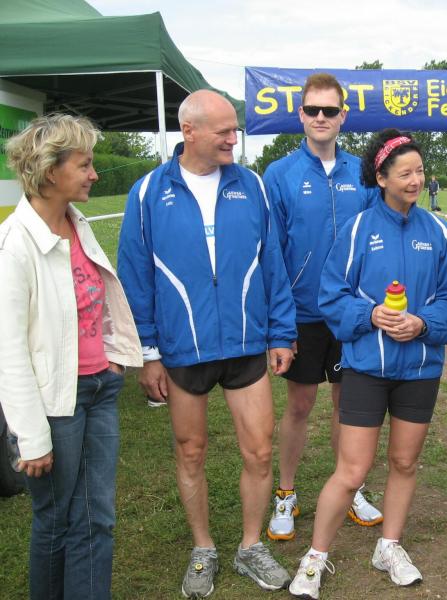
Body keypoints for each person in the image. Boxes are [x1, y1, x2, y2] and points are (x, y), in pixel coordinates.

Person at [117, 90, 297, 597]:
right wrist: (148, 353)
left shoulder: (251, 185)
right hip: (182, 348)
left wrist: (281, 332)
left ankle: (250, 546)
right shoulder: (149, 191)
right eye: (223, 131)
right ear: (188, 131)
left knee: (259, 451)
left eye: (234, 129)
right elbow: (135, 276)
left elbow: (273, 263)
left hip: (245, 344)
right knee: (191, 451)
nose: (232, 139)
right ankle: (203, 549)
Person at [287, 129, 447, 599]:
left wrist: (423, 324)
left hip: (420, 370)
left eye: (420, 171)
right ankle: (315, 558)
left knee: (404, 462)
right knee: (351, 471)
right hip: (366, 367)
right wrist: (370, 315)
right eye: (405, 173)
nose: (415, 180)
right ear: (381, 178)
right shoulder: (358, 230)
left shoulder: (438, 232)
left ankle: (389, 546)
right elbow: (331, 295)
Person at [0, 114, 143, 599]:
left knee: (96, 517)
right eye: (84, 165)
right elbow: (9, 352)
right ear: (48, 171)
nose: (94, 174)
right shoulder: (15, 245)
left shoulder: (77, 225)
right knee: (57, 520)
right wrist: (31, 437)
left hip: (100, 388)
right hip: (54, 405)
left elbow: (97, 301)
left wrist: (113, 358)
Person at [262, 73, 383, 542]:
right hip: (303, 313)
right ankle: (286, 494)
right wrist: (280, 323)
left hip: (350, 312)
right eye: (312, 109)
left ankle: (349, 488)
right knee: (300, 404)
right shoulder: (280, 174)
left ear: (342, 116)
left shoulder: (361, 172)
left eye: (329, 110)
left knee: (345, 404)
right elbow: (272, 253)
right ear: (301, 114)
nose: (320, 117)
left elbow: (375, 237)